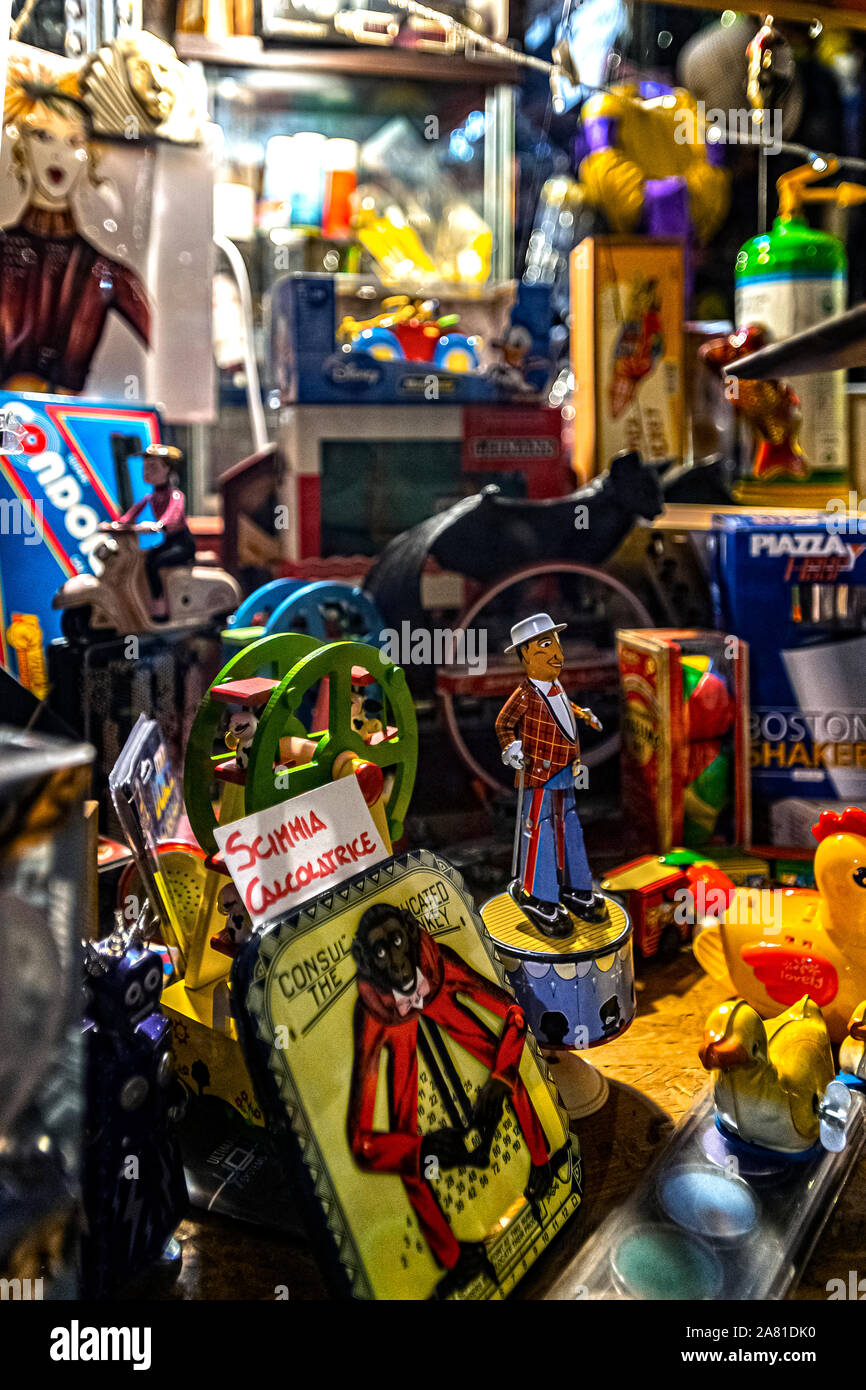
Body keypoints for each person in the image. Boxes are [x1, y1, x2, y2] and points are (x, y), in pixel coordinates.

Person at [0, 57, 150, 393]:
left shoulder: (105, 271)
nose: (58, 155)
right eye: (43, 136)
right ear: (21, 146)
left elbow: (172, 348)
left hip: (76, 437)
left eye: (74, 142)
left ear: (91, 154)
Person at [495, 612, 608, 937]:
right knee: (540, 830)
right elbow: (503, 724)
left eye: (556, 643)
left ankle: (576, 886)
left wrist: (582, 714)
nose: (558, 653)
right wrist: (511, 747)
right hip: (539, 774)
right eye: (547, 645)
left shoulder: (555, 686)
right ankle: (538, 894)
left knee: (570, 825)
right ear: (527, 654)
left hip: (565, 770)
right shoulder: (525, 694)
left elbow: (563, 707)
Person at [116, 445, 195, 618]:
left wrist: (158, 525)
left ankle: (161, 609)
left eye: (153, 467)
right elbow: (132, 513)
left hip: (182, 543)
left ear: (168, 469)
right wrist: (118, 524)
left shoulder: (176, 495)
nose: (147, 471)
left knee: (154, 562)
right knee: (145, 558)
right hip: (168, 542)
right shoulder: (151, 497)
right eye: (146, 467)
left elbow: (172, 515)